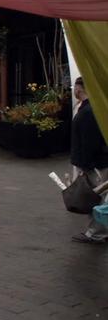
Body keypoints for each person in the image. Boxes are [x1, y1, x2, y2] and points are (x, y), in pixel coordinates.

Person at [69, 76, 108, 244]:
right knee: (99, 197)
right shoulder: (89, 108)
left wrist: (85, 166)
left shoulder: (88, 111)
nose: (73, 91)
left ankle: (96, 233)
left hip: (95, 164)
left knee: (96, 197)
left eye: (75, 87)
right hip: (96, 162)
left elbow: (90, 141)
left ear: (79, 88)